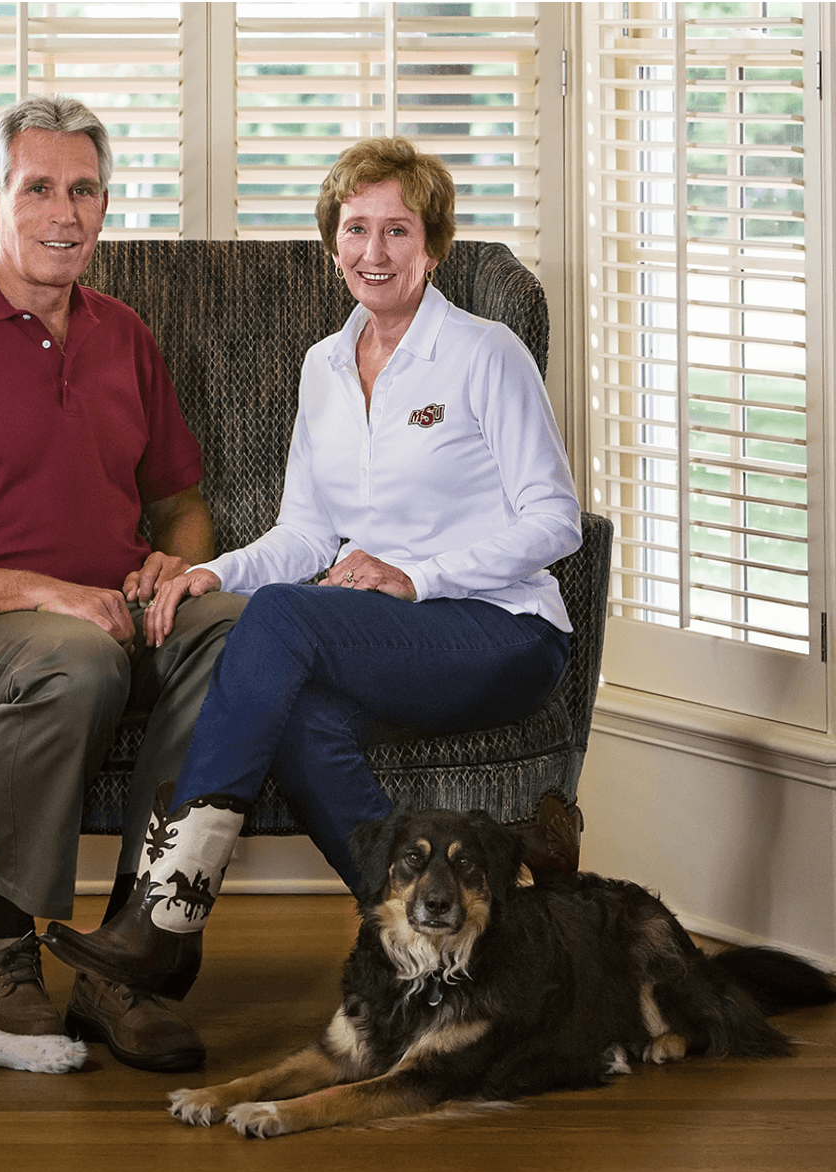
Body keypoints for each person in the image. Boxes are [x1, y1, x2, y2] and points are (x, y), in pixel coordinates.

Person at [41, 135, 583, 1004]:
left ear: (432, 245)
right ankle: (432, 950)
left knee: (285, 617)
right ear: (334, 244)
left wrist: (416, 574)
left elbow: (555, 523)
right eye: (356, 229)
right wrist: (210, 574)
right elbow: (305, 531)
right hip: (399, 639)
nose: (375, 253)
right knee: (297, 724)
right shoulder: (323, 368)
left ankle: (165, 918)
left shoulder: (485, 354)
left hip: (503, 628)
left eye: (398, 231)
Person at [0, 94, 244, 1072]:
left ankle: (129, 957)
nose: (64, 213)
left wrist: (175, 560)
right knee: (76, 659)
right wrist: (46, 593)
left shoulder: (122, 335)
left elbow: (180, 499)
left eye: (84, 189)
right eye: (38, 188)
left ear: (105, 203)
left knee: (242, 630)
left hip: (109, 611)